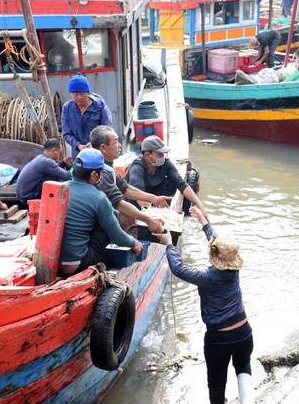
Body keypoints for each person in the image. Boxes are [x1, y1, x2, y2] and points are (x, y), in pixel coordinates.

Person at [153, 206, 254, 404]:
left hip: (219, 338)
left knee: (216, 383)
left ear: (214, 256)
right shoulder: (234, 271)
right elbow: (218, 244)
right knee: (243, 365)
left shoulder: (207, 277)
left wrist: (169, 245)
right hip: (244, 332)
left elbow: (179, 269)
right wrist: (203, 222)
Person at [58, 148, 143, 277]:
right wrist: (134, 243)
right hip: (77, 265)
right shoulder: (99, 197)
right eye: (101, 173)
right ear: (93, 175)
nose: (102, 177)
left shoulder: (60, 188)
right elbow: (118, 238)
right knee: (112, 216)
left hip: (54, 264)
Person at [90, 125, 170, 234]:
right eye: (115, 142)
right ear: (103, 148)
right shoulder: (100, 170)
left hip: (100, 209)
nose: (119, 146)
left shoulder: (108, 166)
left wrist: (154, 199)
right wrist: (148, 219)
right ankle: (107, 242)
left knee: (130, 217)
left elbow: (126, 189)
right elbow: (118, 202)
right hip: (91, 218)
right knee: (128, 218)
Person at [124, 135, 208, 220]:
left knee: (171, 182)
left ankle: (163, 209)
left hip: (154, 196)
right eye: (159, 154)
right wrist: (152, 217)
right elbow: (138, 196)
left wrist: (200, 205)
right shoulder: (137, 168)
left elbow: (181, 184)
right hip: (136, 200)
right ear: (147, 155)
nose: (162, 156)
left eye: (163, 154)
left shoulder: (166, 163)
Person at [61, 73, 113, 159]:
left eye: (82, 94)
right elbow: (66, 133)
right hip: (78, 155)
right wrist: (78, 145)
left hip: (99, 152)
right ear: (71, 94)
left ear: (88, 92)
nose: (79, 97)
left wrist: (94, 143)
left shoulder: (100, 107)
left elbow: (108, 130)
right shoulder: (67, 108)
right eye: (76, 94)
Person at [15, 138, 72, 208]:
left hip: (23, 195)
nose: (59, 155)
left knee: (53, 175)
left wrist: (63, 163)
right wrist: (77, 165)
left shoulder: (41, 158)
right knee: (54, 178)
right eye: (60, 152)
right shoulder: (47, 162)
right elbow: (68, 176)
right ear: (54, 150)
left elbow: (54, 169)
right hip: (27, 197)